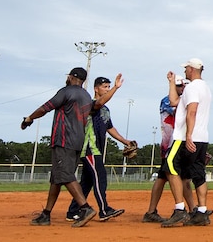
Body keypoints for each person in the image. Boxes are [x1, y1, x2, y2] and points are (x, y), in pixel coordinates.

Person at [20, 67, 98, 227]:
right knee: (57, 178)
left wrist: (29, 118)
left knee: (66, 175)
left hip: (63, 140)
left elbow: (45, 107)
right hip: (77, 141)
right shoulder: (86, 95)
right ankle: (46, 214)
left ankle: (85, 208)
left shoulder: (66, 91)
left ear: (71, 77)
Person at [65, 74, 131, 222]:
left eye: (108, 87)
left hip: (98, 150)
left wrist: (124, 140)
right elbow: (100, 102)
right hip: (89, 149)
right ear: (96, 89)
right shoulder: (90, 104)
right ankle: (104, 210)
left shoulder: (105, 109)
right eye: (104, 87)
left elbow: (110, 127)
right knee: (100, 179)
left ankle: (72, 212)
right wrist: (116, 88)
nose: (107, 90)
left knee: (86, 183)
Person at [162, 58, 213, 227]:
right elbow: (175, 102)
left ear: (192, 69)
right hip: (202, 138)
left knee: (169, 165)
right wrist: (171, 83)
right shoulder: (205, 88)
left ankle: (179, 210)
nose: (184, 72)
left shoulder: (192, 87)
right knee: (197, 173)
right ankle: (201, 212)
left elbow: (192, 111)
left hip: (185, 137)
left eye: (186, 69)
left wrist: (188, 135)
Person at [143, 75, 192, 223]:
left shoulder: (181, 100)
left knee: (167, 177)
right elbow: (181, 114)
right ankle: (191, 209)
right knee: (172, 176)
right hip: (170, 145)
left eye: (184, 86)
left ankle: (152, 211)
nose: (183, 88)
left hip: (177, 144)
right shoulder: (168, 101)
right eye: (180, 86)